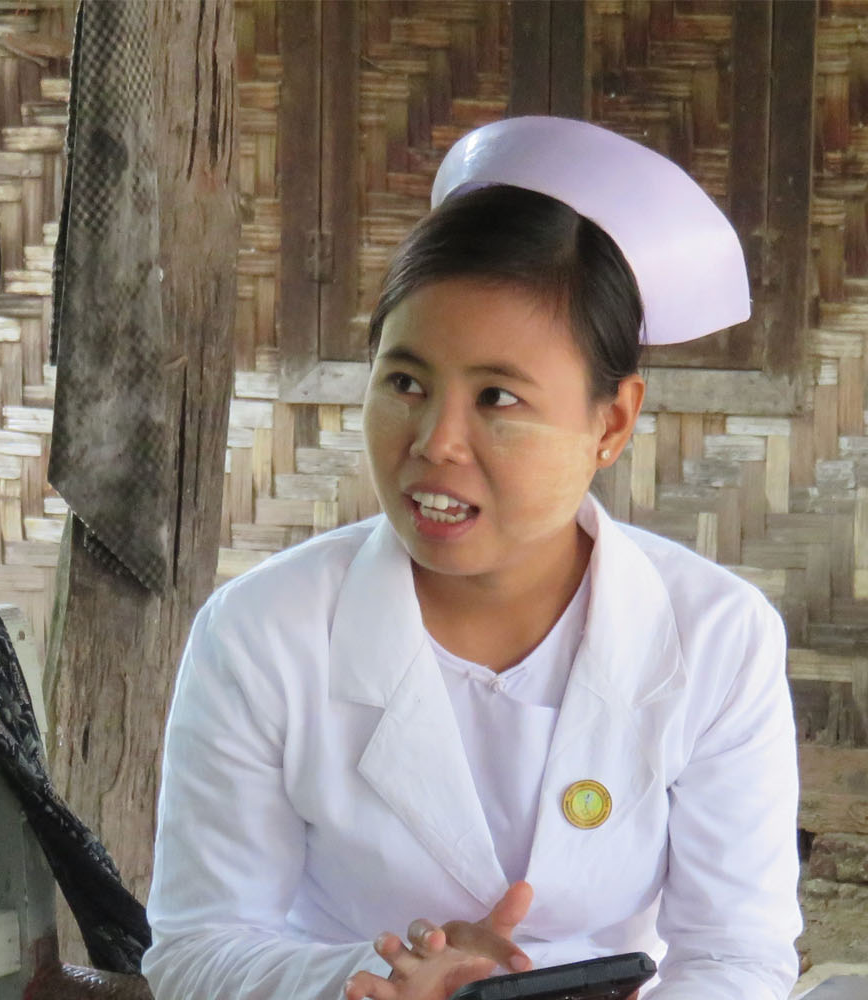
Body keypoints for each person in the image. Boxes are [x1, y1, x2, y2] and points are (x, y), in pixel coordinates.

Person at [143, 116, 802, 1000]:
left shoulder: (717, 636)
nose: (436, 442)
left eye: (498, 397)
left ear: (611, 420)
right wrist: (380, 978)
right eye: (405, 382)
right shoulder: (265, 631)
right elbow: (198, 951)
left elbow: (735, 956)